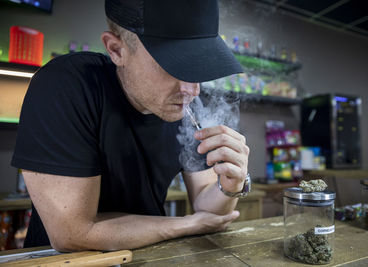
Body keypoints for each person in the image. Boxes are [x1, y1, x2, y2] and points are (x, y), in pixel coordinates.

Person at [11, 0, 250, 251]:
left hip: (151, 255)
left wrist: (229, 185)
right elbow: (73, 234)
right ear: (116, 49)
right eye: (173, 66)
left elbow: (205, 205)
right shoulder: (65, 86)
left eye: (197, 66)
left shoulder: (187, 105)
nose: (192, 89)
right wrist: (185, 225)